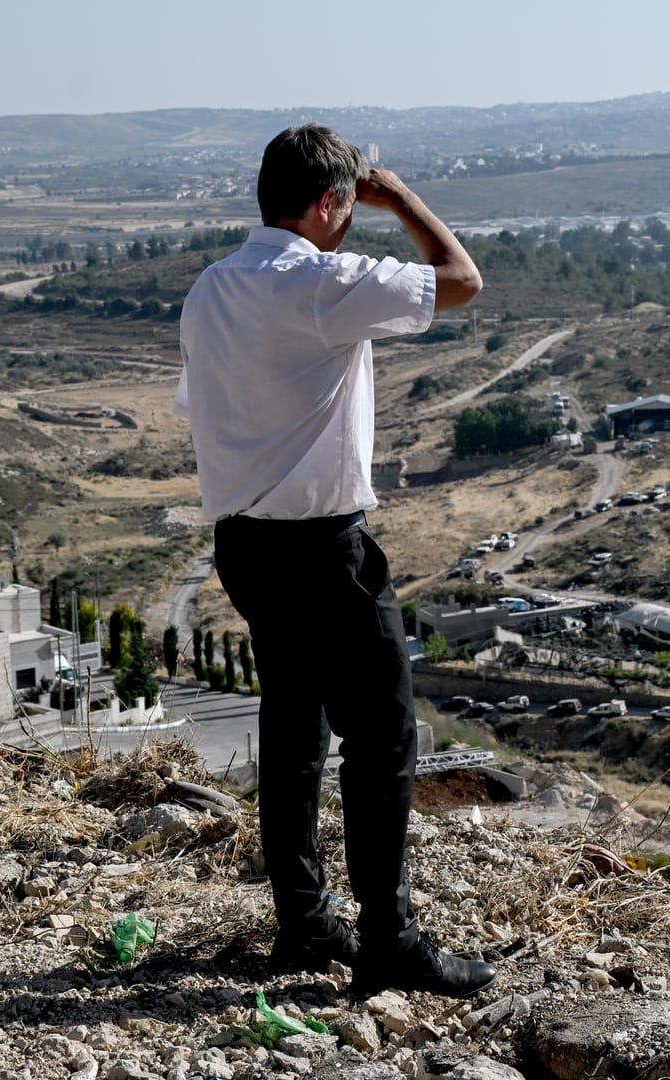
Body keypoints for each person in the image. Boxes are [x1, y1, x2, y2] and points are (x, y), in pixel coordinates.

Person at [176, 124, 492, 999]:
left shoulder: (210, 288)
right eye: (348, 206)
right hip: (322, 547)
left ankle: (305, 924)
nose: (353, 220)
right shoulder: (320, 282)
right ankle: (388, 939)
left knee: (294, 728)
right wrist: (401, 201)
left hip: (243, 543)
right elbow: (462, 279)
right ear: (327, 206)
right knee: (383, 736)